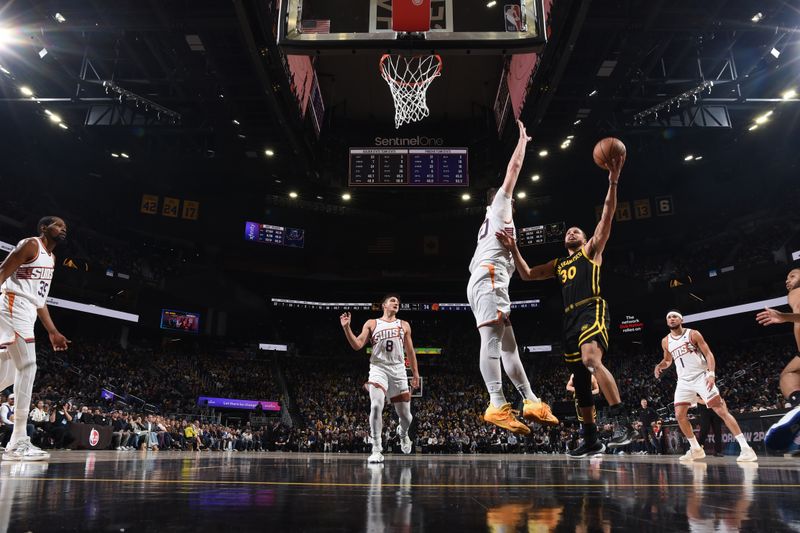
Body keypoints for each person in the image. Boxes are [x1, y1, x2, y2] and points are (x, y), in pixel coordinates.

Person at [496, 154, 636, 457]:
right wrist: (514, 247)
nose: (571, 232)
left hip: (591, 308)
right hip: (569, 319)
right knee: (581, 382)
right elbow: (528, 274)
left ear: (586, 238)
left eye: (577, 230)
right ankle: (590, 438)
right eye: (568, 232)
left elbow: (607, 215)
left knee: (590, 360)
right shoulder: (559, 263)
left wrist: (613, 180)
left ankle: (623, 421)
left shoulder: (591, 250)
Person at [467, 119, 557, 435]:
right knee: (492, 342)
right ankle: (496, 403)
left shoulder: (496, 225)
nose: (513, 199)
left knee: (509, 347)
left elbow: (525, 272)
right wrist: (522, 141)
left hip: (492, 280)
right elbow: (514, 169)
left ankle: (530, 400)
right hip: (488, 279)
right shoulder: (499, 207)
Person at [0, 216, 70, 461]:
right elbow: (1, 272)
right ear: (44, 228)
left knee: (7, 374)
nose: (63, 229)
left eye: (65, 227)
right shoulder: (30, 245)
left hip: (27, 311)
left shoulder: (51, 259)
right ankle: (18, 440)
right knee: (28, 365)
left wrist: (52, 331)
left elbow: (39, 300)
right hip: (12, 304)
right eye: (58, 225)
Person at [654, 310, 757, 462]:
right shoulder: (665, 341)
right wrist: (660, 365)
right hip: (683, 381)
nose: (671, 319)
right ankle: (695, 448)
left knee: (721, 410)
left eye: (674, 316)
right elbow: (668, 360)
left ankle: (746, 449)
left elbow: (708, 354)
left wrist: (711, 374)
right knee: (679, 415)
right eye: (669, 317)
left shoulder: (693, 334)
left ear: (681, 319)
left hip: (701, 376)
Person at [340, 294, 420, 463]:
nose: (396, 303)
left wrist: (415, 373)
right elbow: (357, 345)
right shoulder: (372, 323)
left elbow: (410, 351)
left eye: (397, 302)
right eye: (392, 301)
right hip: (378, 368)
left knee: (406, 417)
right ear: (384, 305)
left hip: (398, 369)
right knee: (376, 405)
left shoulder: (403, 325)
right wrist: (347, 328)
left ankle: (403, 434)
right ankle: (376, 448)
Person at [755, 267, 800, 450]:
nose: (787, 280)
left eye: (793, 275)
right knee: (789, 373)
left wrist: (783, 317)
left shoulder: (797, 292)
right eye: (786, 277)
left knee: (788, 376)